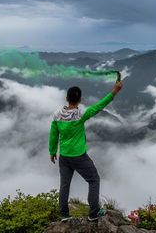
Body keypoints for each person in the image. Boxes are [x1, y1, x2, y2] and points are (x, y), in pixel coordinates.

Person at [49, 79, 123, 222]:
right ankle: (93, 213)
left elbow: (53, 135)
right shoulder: (81, 114)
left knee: (64, 185)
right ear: (80, 99)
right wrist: (115, 91)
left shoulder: (57, 115)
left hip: (64, 156)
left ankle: (64, 214)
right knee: (94, 179)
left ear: (66, 98)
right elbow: (99, 106)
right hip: (79, 156)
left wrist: (52, 151)